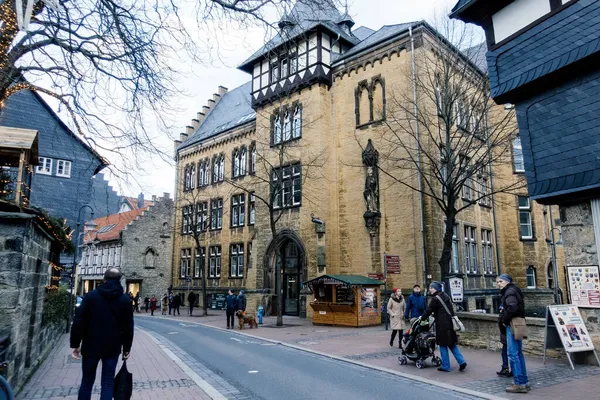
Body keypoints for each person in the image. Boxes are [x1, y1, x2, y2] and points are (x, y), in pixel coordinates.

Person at [70, 268, 134, 400]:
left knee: (87, 381)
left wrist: (75, 344)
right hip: (112, 347)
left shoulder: (91, 296)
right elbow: (128, 327)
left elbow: (79, 321)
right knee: (107, 382)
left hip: (91, 345)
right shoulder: (125, 300)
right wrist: (126, 348)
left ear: (104, 279)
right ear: (119, 280)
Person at [421, 281, 467, 373]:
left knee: (442, 345)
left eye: (431, 288)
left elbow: (429, 310)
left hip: (442, 325)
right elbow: (448, 310)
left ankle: (446, 366)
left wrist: (422, 318)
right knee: (452, 344)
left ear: (435, 289)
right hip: (450, 324)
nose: (429, 289)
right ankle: (462, 361)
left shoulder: (435, 299)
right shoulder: (446, 296)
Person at [497, 274, 529, 394]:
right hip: (518, 323)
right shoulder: (514, 290)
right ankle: (524, 381)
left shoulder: (509, 292)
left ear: (506, 282)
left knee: (513, 354)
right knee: (519, 354)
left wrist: (504, 321)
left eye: (500, 281)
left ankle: (519, 383)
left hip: (512, 324)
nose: (498, 284)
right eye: (497, 282)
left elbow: (512, 307)